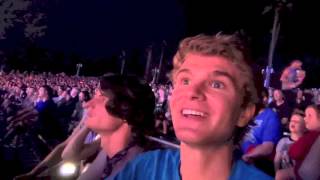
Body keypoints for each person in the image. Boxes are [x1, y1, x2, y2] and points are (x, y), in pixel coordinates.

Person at [110, 34, 272, 180]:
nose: (192, 92)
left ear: (243, 113)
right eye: (185, 81)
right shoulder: (143, 168)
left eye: (216, 84)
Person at [61, 74, 157, 179]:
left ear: (126, 109)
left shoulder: (137, 166)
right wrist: (89, 122)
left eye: (101, 98)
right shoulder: (110, 153)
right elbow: (68, 156)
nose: (86, 105)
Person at [276, 104, 320, 180]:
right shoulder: (283, 141)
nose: (305, 118)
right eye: (292, 121)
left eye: (309, 116)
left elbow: (294, 153)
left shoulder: (310, 136)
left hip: (302, 173)